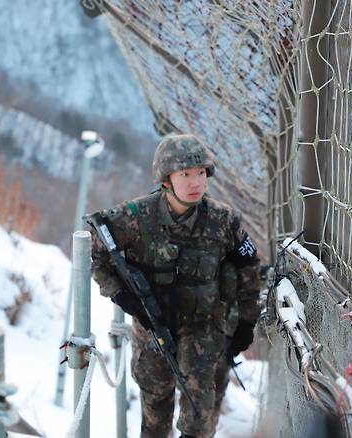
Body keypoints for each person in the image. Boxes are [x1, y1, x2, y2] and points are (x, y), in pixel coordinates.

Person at [88, 133, 261, 438]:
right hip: (154, 330)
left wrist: (246, 321)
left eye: (200, 174)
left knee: (199, 416)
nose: (196, 182)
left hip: (203, 330)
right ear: (166, 179)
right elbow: (96, 251)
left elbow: (248, 269)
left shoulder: (223, 221)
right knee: (155, 415)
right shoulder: (137, 217)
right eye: (185, 175)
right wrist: (121, 295)